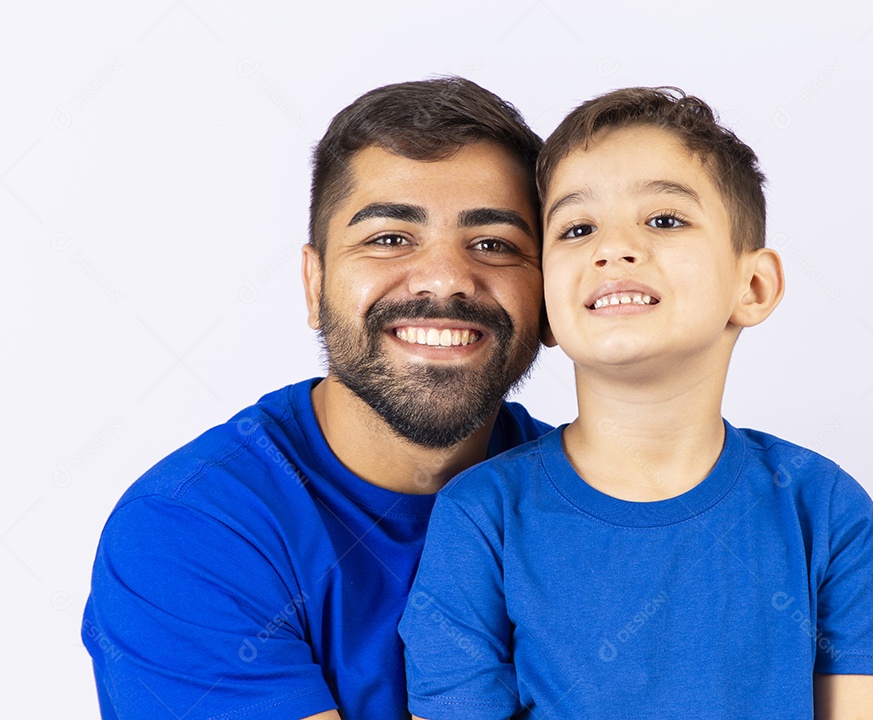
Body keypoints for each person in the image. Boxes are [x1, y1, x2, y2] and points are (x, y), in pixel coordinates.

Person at [398, 87, 873, 719]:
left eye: (664, 220)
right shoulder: (482, 518)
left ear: (752, 285)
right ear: (546, 309)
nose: (612, 249)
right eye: (577, 228)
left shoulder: (824, 510)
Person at [82, 77, 552, 720]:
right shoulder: (187, 532)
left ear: (551, 294)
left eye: (494, 244)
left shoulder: (600, 501)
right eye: (390, 238)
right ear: (315, 283)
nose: (445, 278)